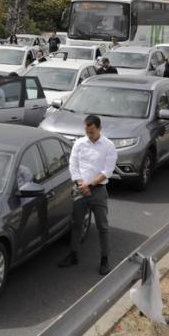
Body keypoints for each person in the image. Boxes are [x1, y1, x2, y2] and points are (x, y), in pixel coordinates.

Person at [60, 115, 117, 275]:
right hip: (80, 189)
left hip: (97, 190)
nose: (89, 134)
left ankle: (105, 259)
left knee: (102, 226)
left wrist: (90, 184)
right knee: (76, 223)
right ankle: (74, 254)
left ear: (99, 129)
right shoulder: (79, 143)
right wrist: (80, 184)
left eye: (91, 132)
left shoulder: (108, 146)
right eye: (86, 131)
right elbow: (73, 165)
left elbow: (108, 171)